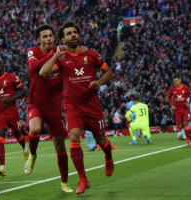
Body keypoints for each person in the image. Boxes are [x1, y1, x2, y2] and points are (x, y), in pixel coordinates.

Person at [40, 20, 114, 195]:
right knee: (74, 136)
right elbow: (43, 72)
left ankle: (109, 157)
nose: (73, 35)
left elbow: (108, 72)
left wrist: (99, 83)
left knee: (101, 141)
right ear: (63, 39)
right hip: (72, 106)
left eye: (75, 32)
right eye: (69, 33)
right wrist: (56, 56)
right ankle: (83, 179)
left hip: (92, 105)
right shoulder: (62, 58)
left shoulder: (92, 54)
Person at [24, 24, 73, 193]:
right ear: (38, 40)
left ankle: (64, 183)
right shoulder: (33, 51)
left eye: (51, 35)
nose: (49, 39)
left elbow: (47, 70)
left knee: (60, 147)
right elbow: (33, 68)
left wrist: (57, 56)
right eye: (44, 36)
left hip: (54, 106)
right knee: (35, 129)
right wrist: (55, 55)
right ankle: (33, 154)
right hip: (36, 103)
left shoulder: (61, 55)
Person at [0, 58, 29, 177]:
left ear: (4, 66)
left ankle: (24, 148)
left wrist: (10, 99)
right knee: (0, 139)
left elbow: (24, 92)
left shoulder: (11, 77)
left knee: (18, 134)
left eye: (0, 63)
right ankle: (2, 167)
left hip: (12, 113)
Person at [168, 74, 191, 146]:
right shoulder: (172, 89)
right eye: (174, 81)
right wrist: (171, 105)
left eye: (177, 80)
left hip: (185, 109)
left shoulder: (185, 88)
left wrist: (188, 102)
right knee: (180, 127)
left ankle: (188, 140)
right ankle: (189, 133)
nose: (175, 82)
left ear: (180, 80)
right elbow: (169, 98)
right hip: (177, 110)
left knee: (186, 123)